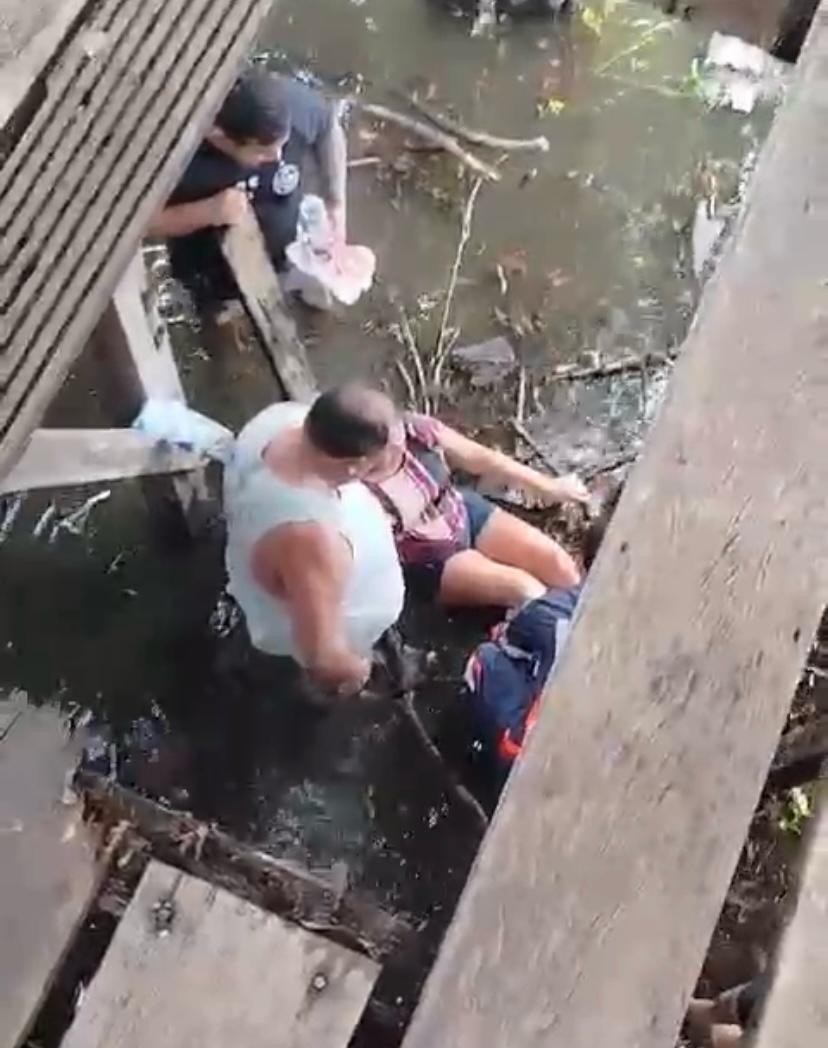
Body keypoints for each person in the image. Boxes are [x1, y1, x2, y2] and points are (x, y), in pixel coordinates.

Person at [223, 386, 404, 697]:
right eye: (378, 459)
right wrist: (358, 671)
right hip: (305, 622)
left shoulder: (281, 419)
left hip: (274, 563)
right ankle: (305, 697)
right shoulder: (309, 537)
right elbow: (322, 655)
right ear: (355, 467)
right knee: (322, 682)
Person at [149, 68, 347, 308]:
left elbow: (328, 127)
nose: (277, 157)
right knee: (224, 316)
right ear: (219, 136)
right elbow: (139, 225)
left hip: (290, 246)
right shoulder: (174, 158)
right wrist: (207, 212)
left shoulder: (283, 104)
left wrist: (336, 204)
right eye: (262, 152)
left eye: (282, 145)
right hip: (214, 271)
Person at [361, 403, 588, 609]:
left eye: (397, 432)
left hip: (459, 509)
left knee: (562, 568)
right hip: (427, 556)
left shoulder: (413, 428)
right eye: (390, 442)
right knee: (526, 590)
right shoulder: (355, 491)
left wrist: (548, 487)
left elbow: (479, 458)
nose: (400, 442)